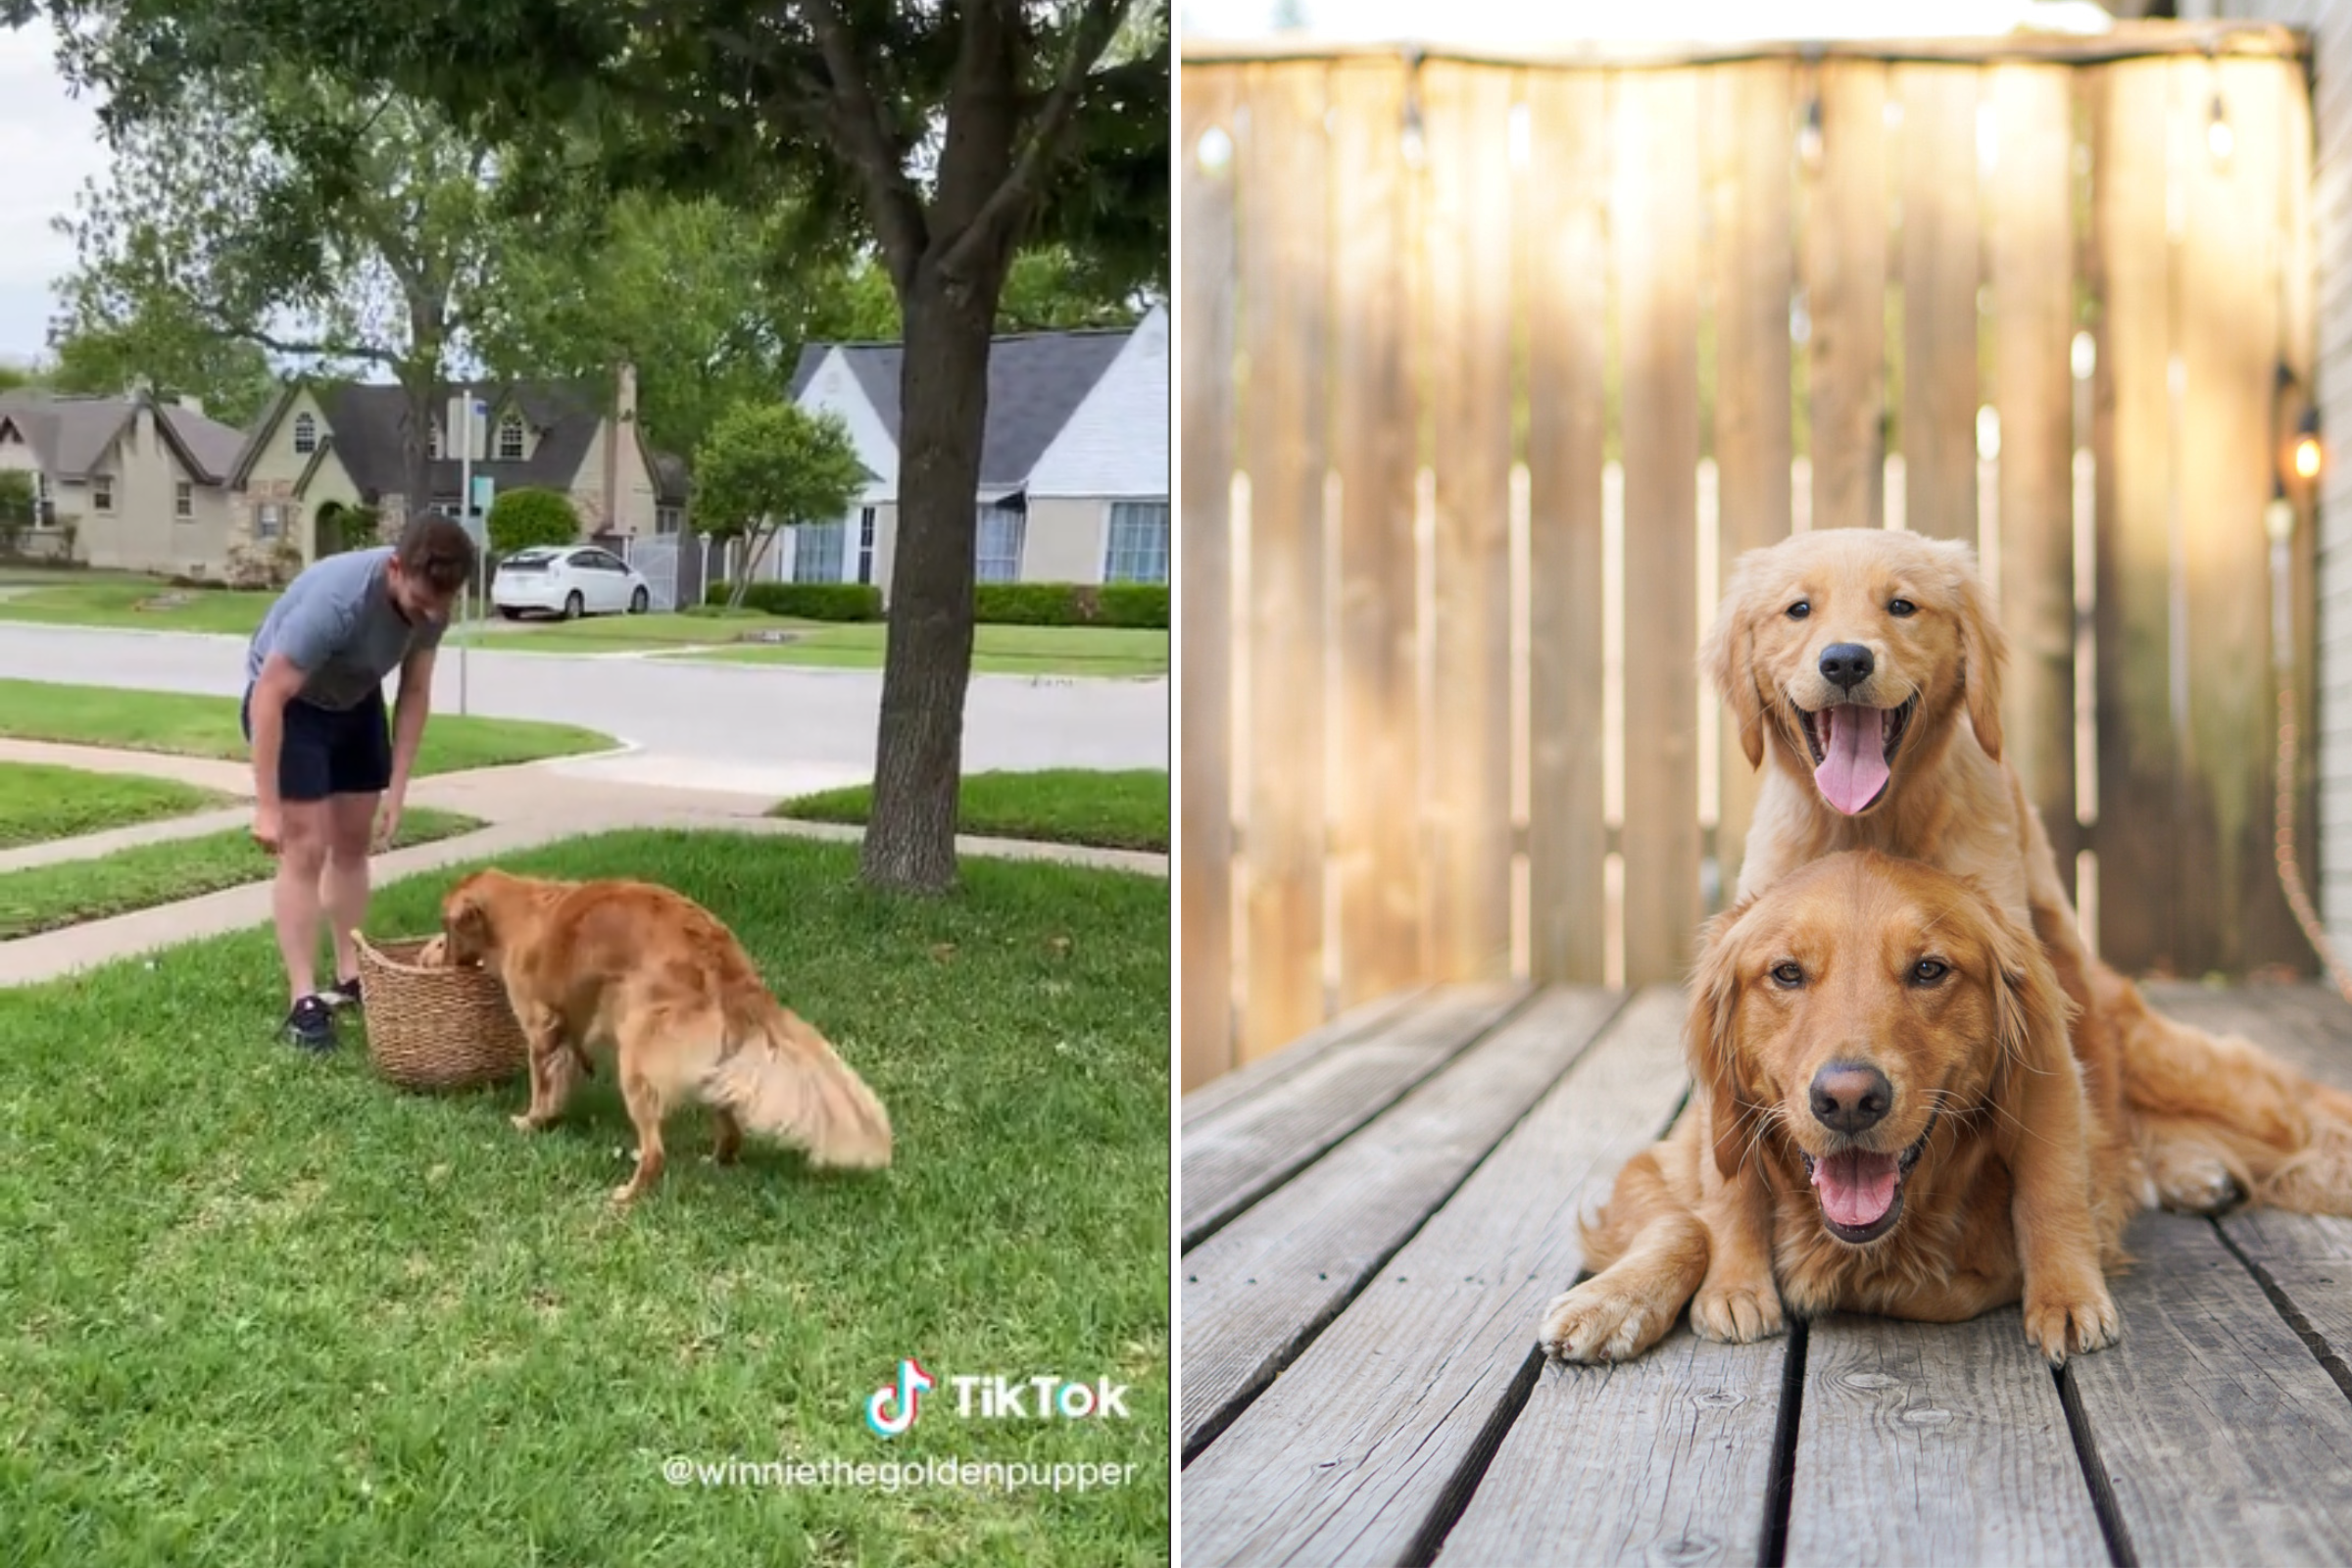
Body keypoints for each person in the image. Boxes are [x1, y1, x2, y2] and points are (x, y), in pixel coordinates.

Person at [243, 512, 477, 1050]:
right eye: (420, 603)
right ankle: (304, 1001)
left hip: (354, 701)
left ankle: (349, 976)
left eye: (440, 606)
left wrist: (397, 787)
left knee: (352, 842)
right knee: (305, 847)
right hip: (293, 706)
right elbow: (269, 694)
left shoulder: (434, 608)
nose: (431, 614)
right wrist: (267, 805)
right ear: (396, 567)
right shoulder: (339, 602)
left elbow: (415, 693)